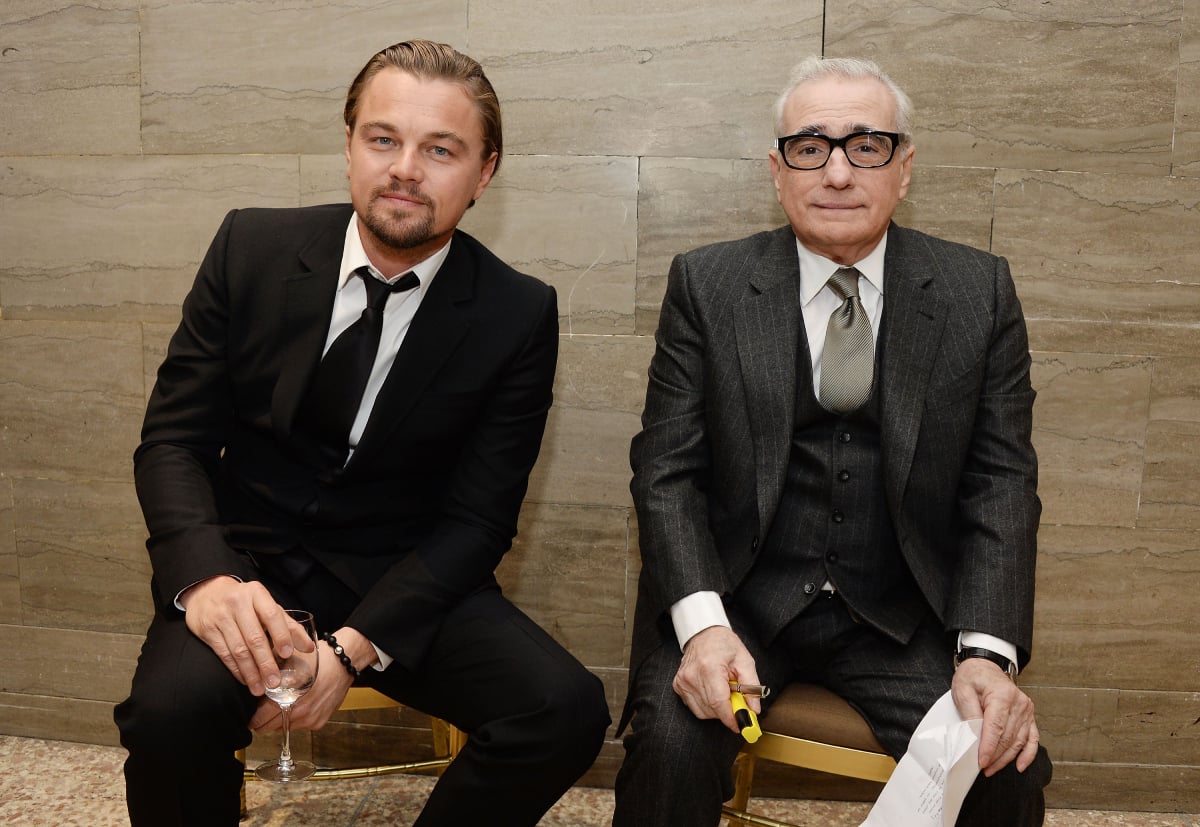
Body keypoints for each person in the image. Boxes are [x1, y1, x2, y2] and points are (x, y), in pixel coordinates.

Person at [114, 39, 610, 827]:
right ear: (349, 147)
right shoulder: (250, 246)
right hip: (243, 563)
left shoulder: (517, 312)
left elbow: (479, 521)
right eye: (383, 139)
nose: (405, 168)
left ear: (484, 174)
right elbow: (170, 441)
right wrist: (205, 580)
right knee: (168, 716)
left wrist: (353, 648)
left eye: (440, 149)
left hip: (399, 573)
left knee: (564, 708)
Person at [613, 55, 1052, 826]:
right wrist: (704, 627)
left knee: (1003, 765)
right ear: (777, 171)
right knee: (672, 748)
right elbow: (665, 473)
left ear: (905, 167)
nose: (839, 171)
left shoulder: (976, 293)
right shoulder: (707, 286)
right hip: (738, 603)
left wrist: (987, 651)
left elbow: (1001, 482)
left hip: (898, 614)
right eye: (810, 147)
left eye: (867, 145)